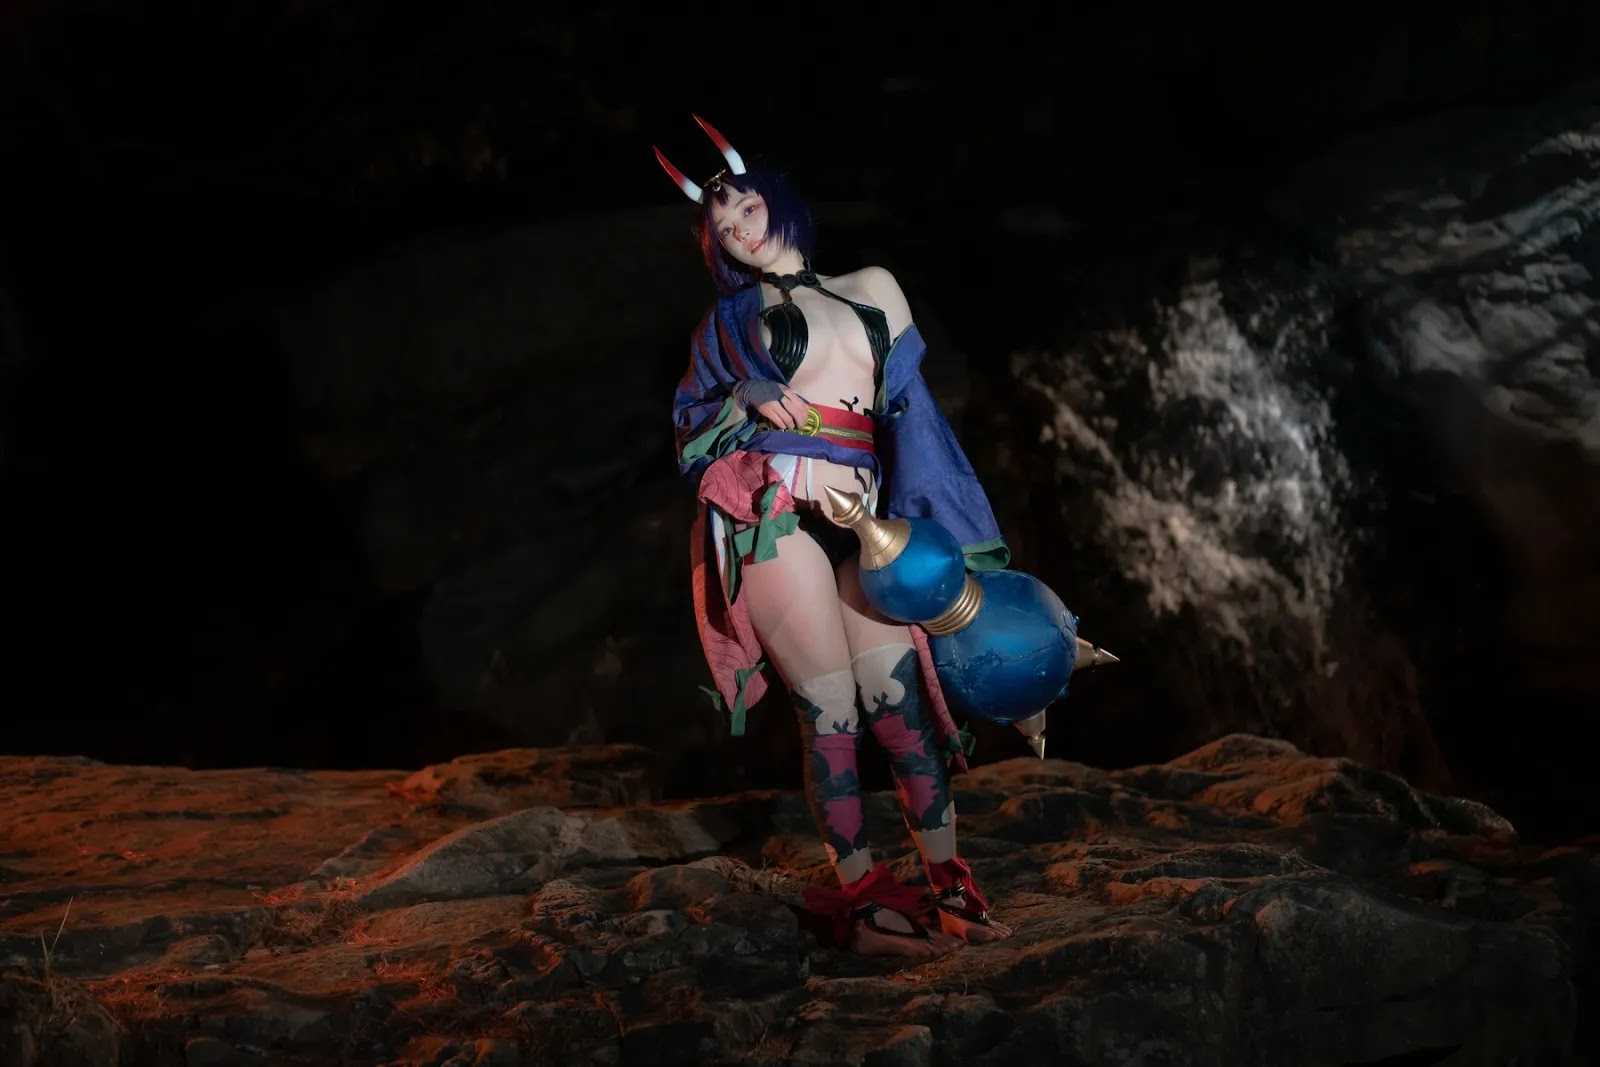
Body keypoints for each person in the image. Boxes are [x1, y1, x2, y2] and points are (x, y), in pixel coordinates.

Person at [660, 116, 1090, 959]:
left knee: (901, 710)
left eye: (745, 205)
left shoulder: (873, 287)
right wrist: (743, 395)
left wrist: (954, 535)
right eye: (721, 225)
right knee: (830, 711)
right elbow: (689, 428)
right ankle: (863, 903)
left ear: (775, 199)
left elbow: (913, 418)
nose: (738, 226)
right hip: (779, 520)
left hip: (874, 528)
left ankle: (951, 884)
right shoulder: (727, 325)